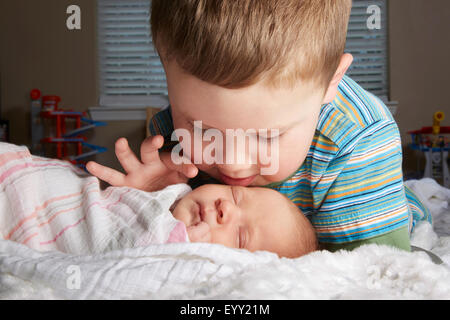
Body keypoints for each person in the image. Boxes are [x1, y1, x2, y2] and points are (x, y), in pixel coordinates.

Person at [87, 0, 431, 252]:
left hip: (370, 201)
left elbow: (380, 270)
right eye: (204, 131)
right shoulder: (170, 134)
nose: (232, 163)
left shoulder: (358, 142)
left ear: (331, 83)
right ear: (165, 68)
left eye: (268, 135)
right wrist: (153, 198)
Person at [172, 183, 318, 258]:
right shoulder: (171, 186)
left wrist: (177, 246)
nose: (226, 207)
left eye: (240, 237)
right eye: (236, 196)